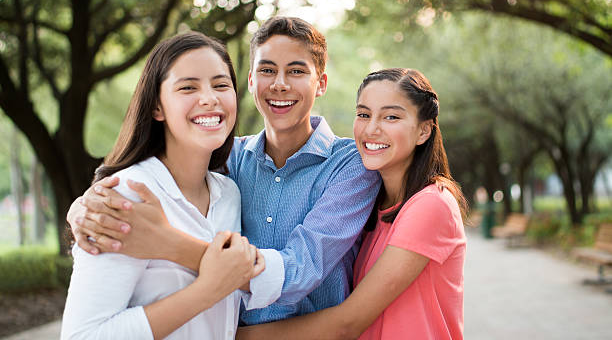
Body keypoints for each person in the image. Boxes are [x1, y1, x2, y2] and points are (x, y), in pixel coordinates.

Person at [65, 17, 381, 326]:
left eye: (296, 71)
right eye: (267, 70)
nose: (280, 84)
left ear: (321, 83)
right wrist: (83, 207)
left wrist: (169, 243)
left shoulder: (352, 164)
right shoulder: (230, 165)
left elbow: (298, 272)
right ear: (251, 82)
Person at [61, 31, 267, 340]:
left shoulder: (229, 194)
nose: (210, 97)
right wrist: (207, 291)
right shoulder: (126, 195)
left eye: (221, 85)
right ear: (157, 107)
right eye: (188, 87)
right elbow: (82, 336)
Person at [238, 68, 467, 340]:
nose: (372, 129)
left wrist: (233, 335)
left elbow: (347, 323)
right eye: (364, 114)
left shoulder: (431, 204)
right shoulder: (373, 205)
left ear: (424, 130)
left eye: (391, 117)